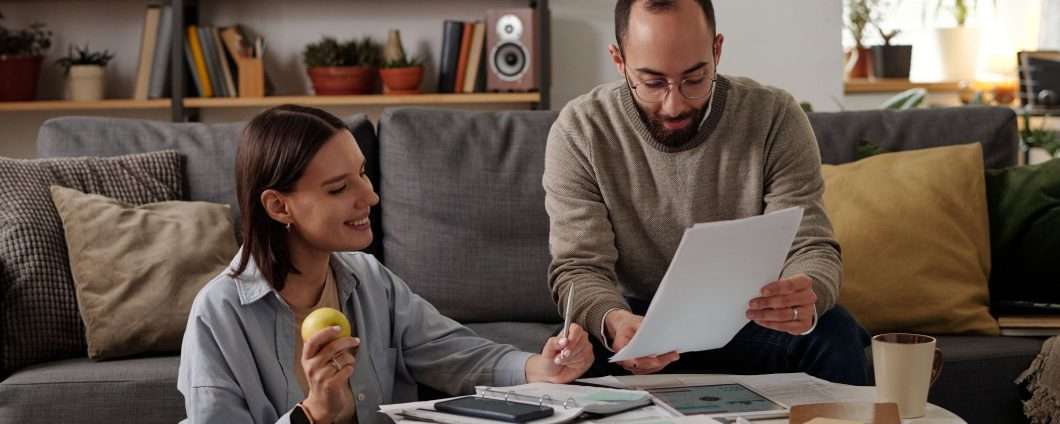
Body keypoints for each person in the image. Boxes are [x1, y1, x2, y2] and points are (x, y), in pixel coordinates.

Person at [178, 104, 594, 424]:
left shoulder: (370, 280)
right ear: (278, 205)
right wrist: (313, 413)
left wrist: (541, 368)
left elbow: (458, 354)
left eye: (362, 174)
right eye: (340, 188)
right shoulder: (219, 314)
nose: (370, 197)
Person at [543, 0, 869, 385]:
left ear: (716, 50)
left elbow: (811, 245)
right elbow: (578, 268)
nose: (674, 103)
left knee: (834, 334)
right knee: (570, 355)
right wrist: (613, 321)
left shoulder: (774, 116)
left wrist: (802, 292)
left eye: (694, 79)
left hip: (751, 317)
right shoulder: (581, 130)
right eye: (652, 82)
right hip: (635, 323)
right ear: (619, 60)